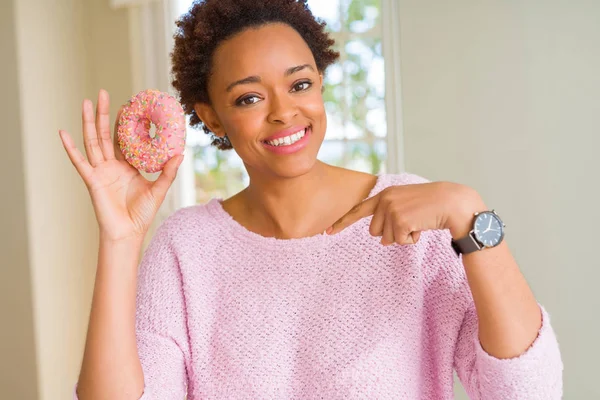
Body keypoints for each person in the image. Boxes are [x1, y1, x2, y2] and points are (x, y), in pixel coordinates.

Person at [62, 0, 563, 398]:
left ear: (320, 84)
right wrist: (121, 241)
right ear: (212, 117)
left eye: (299, 84)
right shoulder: (185, 247)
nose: (284, 112)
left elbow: (529, 391)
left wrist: (470, 214)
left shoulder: (414, 219)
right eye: (249, 97)